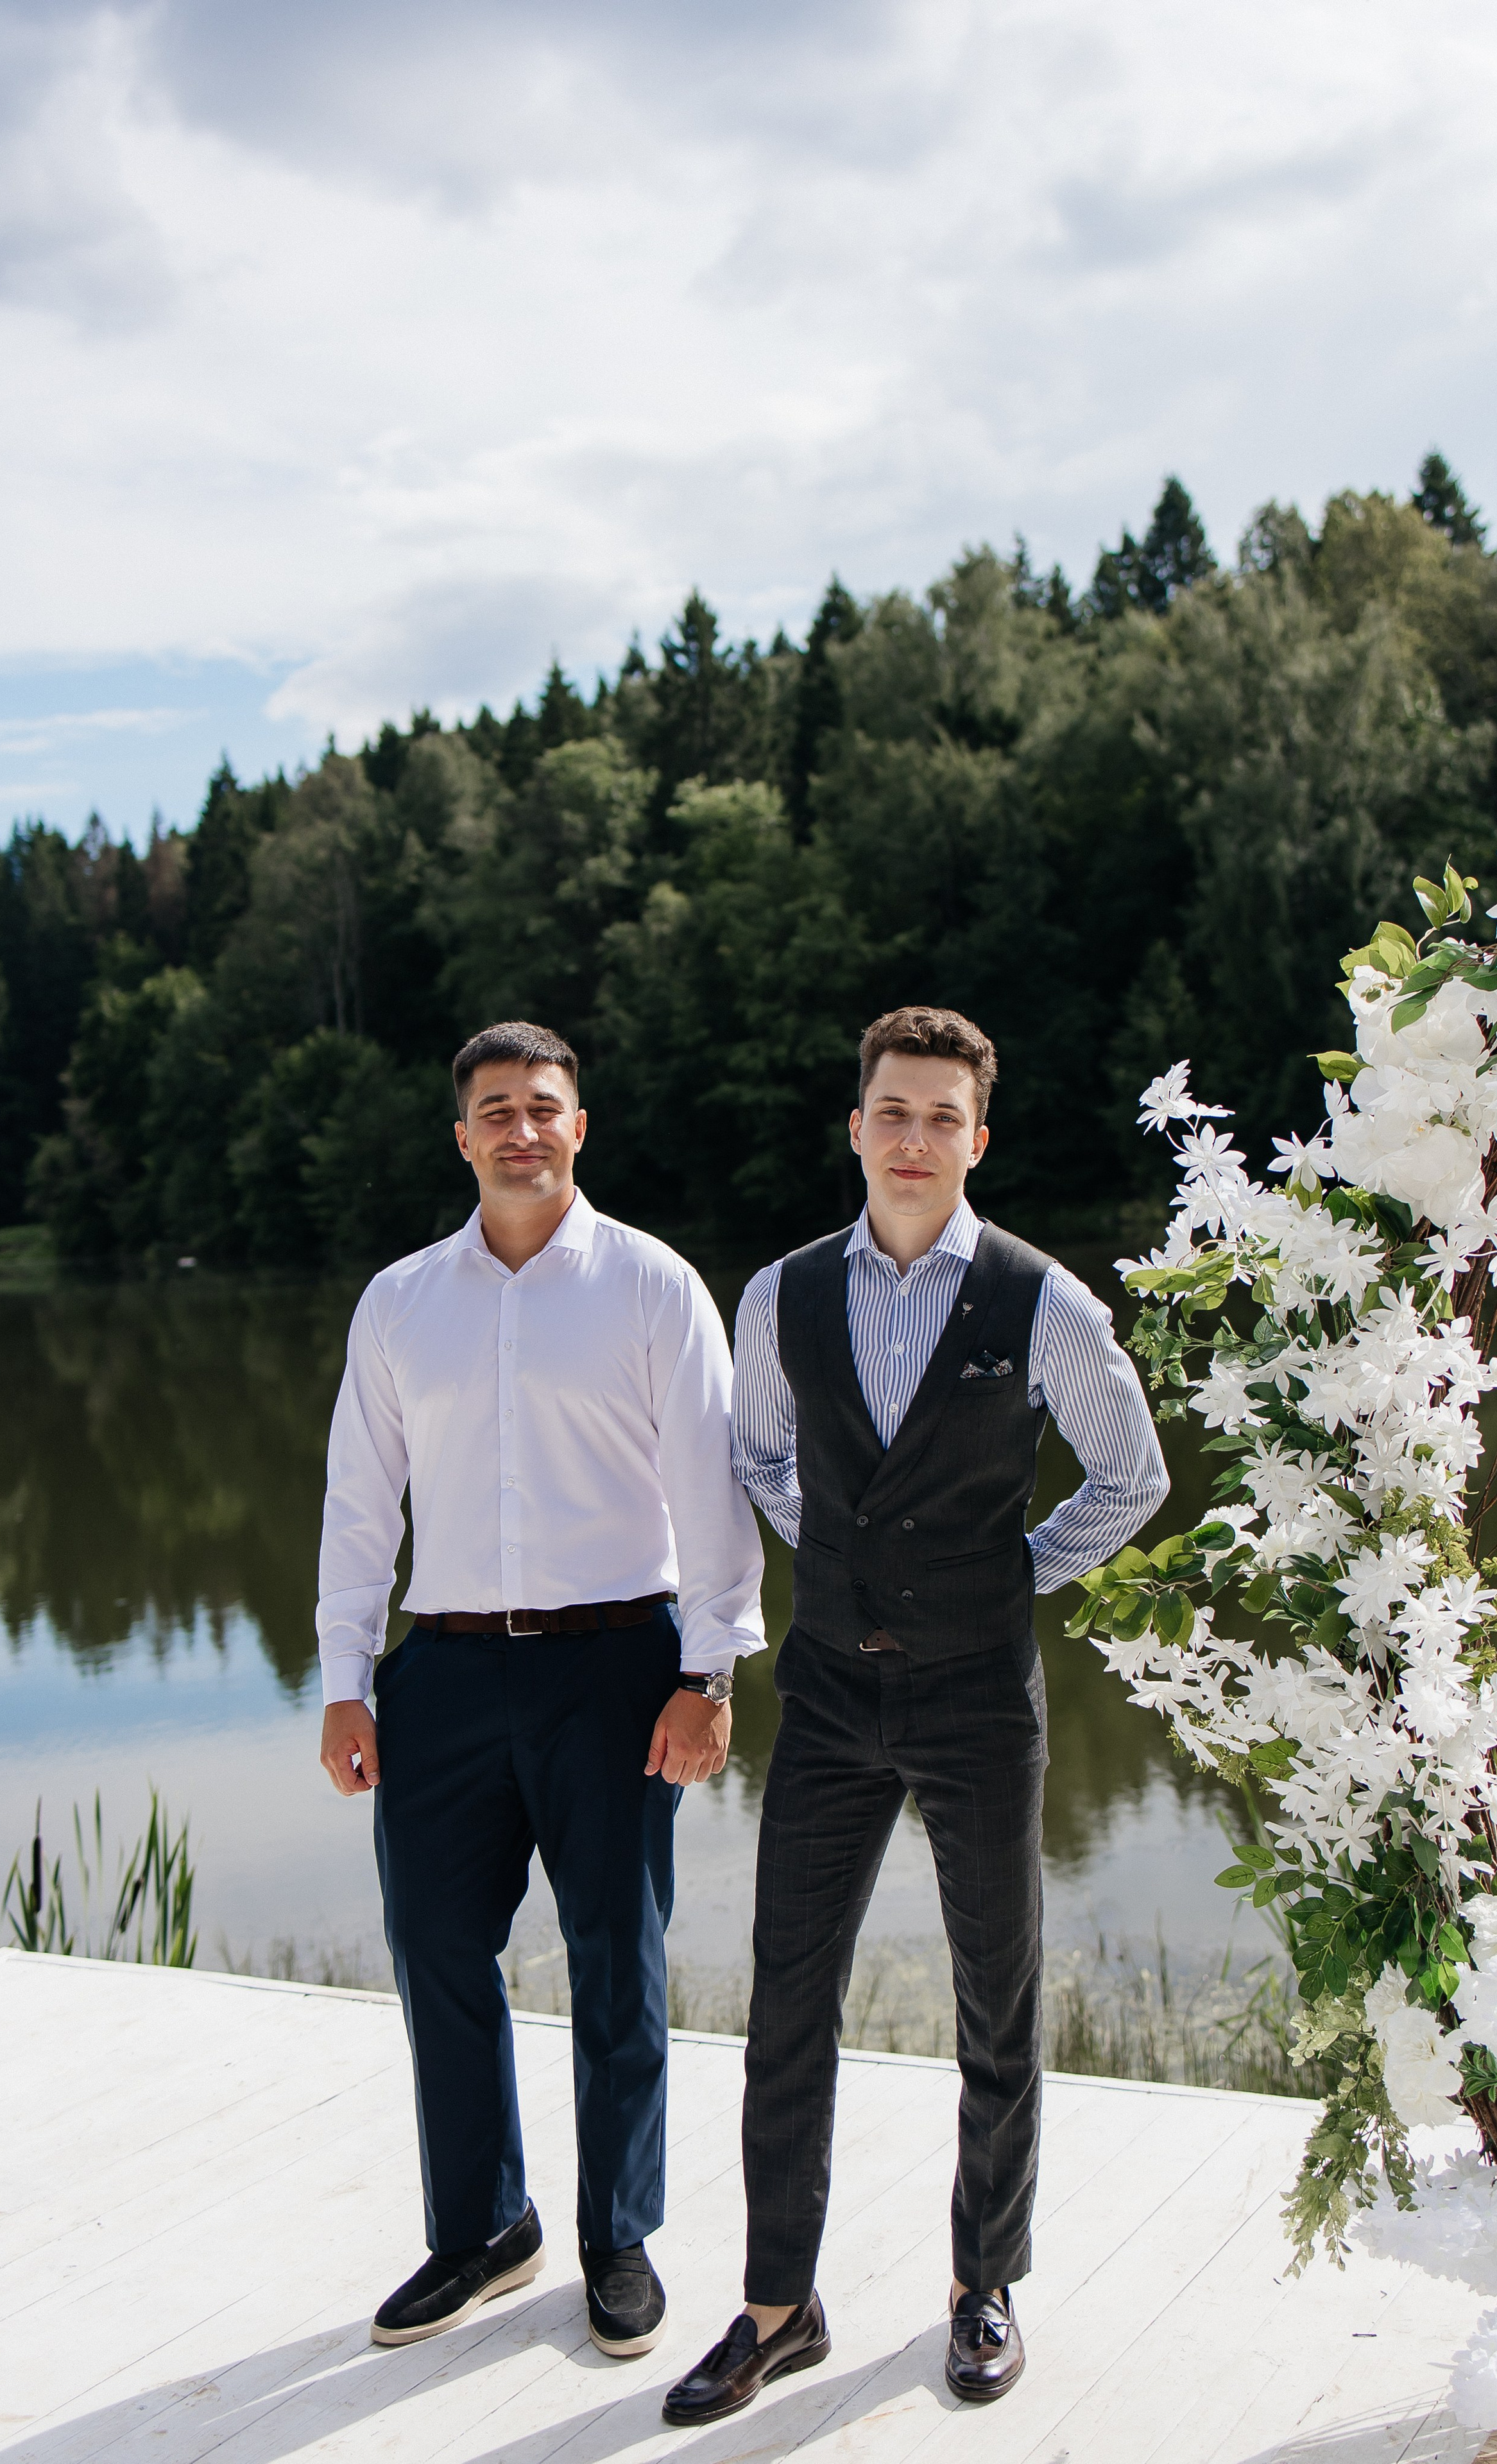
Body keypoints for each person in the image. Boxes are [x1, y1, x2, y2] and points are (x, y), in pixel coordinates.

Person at [663, 1005, 1168, 2424]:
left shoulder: (1039, 1301)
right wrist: (831, 1548)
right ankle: (777, 2303)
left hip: (974, 1701)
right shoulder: (780, 1295)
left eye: (943, 1117)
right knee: (783, 2000)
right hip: (824, 1694)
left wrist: (1014, 1575)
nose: (913, 1137)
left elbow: (1130, 1481)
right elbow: (753, 1450)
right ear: (856, 1127)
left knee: (994, 2002)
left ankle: (981, 2287)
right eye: (893, 1110)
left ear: (976, 1139)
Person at [316, 1019, 765, 2359]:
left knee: (615, 1960)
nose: (520, 1128)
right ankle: (480, 2231)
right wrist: (346, 1679)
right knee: (436, 1952)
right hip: (443, 1671)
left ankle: (613, 2237)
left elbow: (712, 1492)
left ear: (581, 1126)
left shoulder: (649, 1287)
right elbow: (355, 1503)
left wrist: (710, 1669)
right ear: (461, 1136)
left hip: (617, 1666)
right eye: (495, 1109)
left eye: (544, 1106)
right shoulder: (400, 1301)